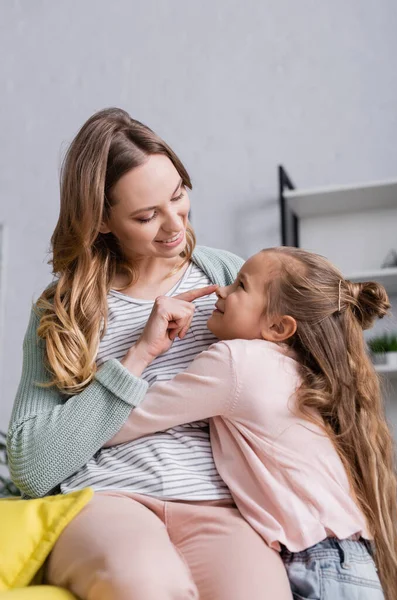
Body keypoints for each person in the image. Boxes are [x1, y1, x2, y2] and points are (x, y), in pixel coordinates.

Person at [7, 108, 291, 600]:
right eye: (145, 216)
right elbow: (32, 466)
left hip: (216, 502)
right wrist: (139, 354)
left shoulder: (227, 275)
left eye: (178, 195)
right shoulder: (64, 309)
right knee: (149, 587)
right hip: (106, 500)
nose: (173, 225)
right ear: (100, 220)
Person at [92, 247, 397, 600]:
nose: (221, 290)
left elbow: (118, 423)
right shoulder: (292, 366)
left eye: (240, 286)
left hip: (317, 565)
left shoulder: (236, 362)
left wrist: (139, 352)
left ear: (278, 327)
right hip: (347, 561)